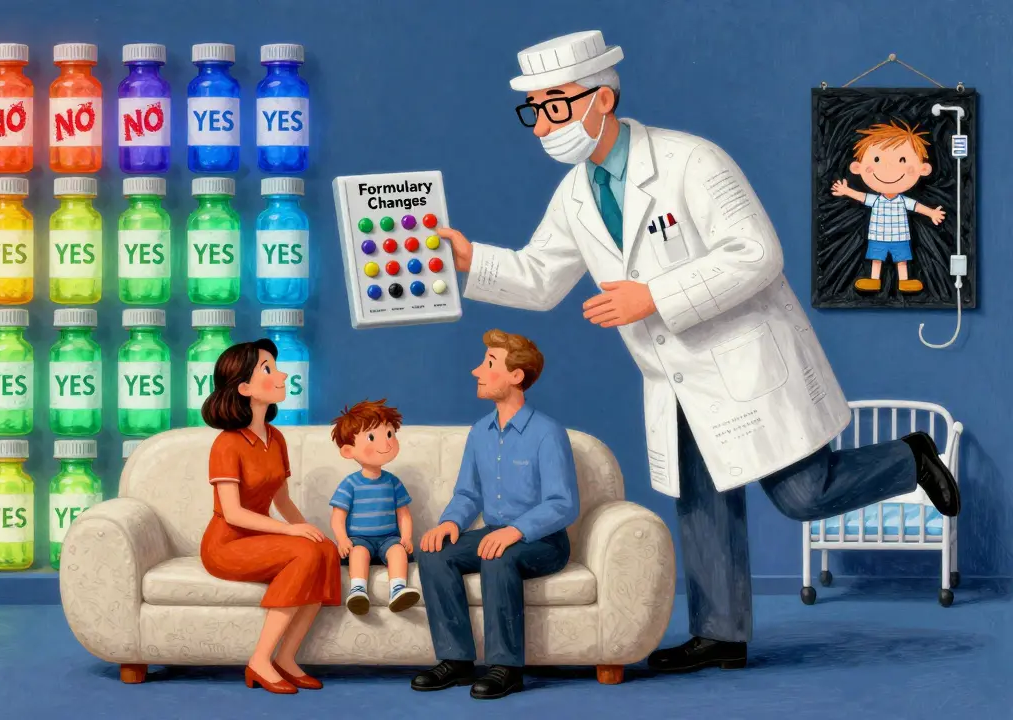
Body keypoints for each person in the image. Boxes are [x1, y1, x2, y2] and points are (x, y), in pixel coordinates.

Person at [438, 30, 961, 674]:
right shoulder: (578, 192)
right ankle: (720, 632)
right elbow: (541, 277)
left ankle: (908, 458)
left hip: (745, 359)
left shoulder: (692, 161)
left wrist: (652, 295)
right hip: (672, 375)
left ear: (601, 98)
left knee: (803, 494)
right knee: (703, 503)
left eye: (555, 105)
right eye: (536, 109)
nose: (543, 124)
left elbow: (758, 255)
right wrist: (469, 262)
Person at [412, 330, 579, 700]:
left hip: (543, 542)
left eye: (489, 364)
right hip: (494, 532)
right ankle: (455, 661)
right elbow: (468, 493)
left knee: (498, 555)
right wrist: (450, 523)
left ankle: (506, 667)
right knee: (434, 553)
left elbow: (562, 503)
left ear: (516, 376)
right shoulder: (479, 433)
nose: (477, 371)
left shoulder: (547, 433)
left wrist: (516, 531)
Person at [199, 338, 342, 695]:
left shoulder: (275, 438)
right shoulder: (227, 444)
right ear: (244, 388)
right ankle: (260, 661)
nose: (280, 374)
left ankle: (287, 658)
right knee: (305, 551)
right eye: (268, 368)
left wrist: (306, 529)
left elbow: (282, 498)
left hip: (259, 538)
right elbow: (233, 513)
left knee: (322, 549)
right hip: (227, 543)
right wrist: (290, 534)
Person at [830, 118, 946, 294]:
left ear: (923, 169)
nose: (888, 167)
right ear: (857, 167)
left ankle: (904, 281)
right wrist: (846, 190)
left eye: (902, 159)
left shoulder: (902, 200)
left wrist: (931, 213)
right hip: (878, 237)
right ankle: (874, 281)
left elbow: (916, 206)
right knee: (876, 259)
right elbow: (860, 196)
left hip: (900, 237)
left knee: (902, 260)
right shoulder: (876, 199)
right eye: (876, 159)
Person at [328, 399, 421, 614]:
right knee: (359, 553)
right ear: (349, 451)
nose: (387, 443)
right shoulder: (349, 484)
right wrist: (342, 539)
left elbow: (403, 514)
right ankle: (357, 590)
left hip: (389, 538)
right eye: (372, 437)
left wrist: (406, 537)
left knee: (397, 551)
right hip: (359, 539)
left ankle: (398, 589)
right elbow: (337, 517)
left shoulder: (393, 482)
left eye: (389, 434)